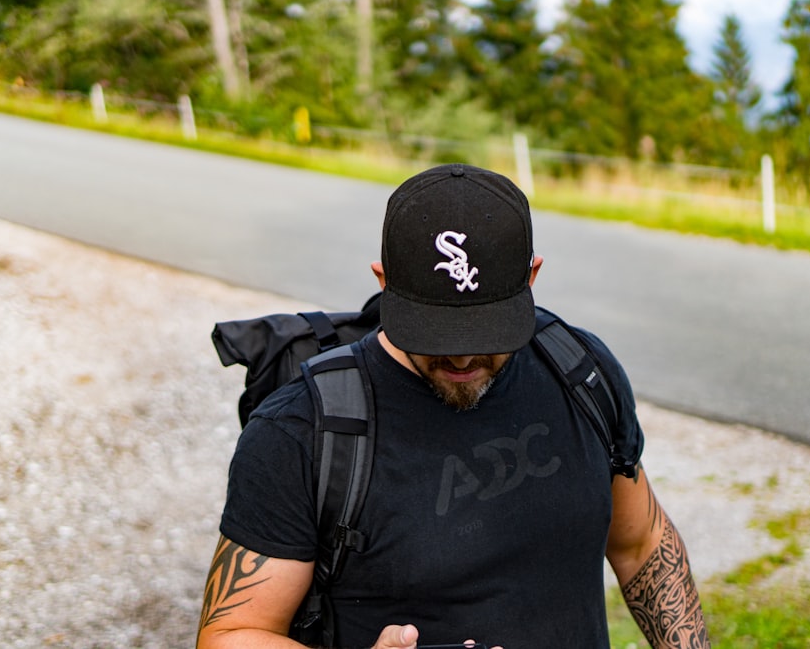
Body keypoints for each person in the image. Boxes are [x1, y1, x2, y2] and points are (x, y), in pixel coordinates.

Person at [197, 163, 710, 649]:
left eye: (486, 329)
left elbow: (641, 545)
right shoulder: (301, 431)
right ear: (383, 282)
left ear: (530, 279)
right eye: (435, 330)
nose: (462, 354)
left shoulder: (578, 369)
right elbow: (229, 633)